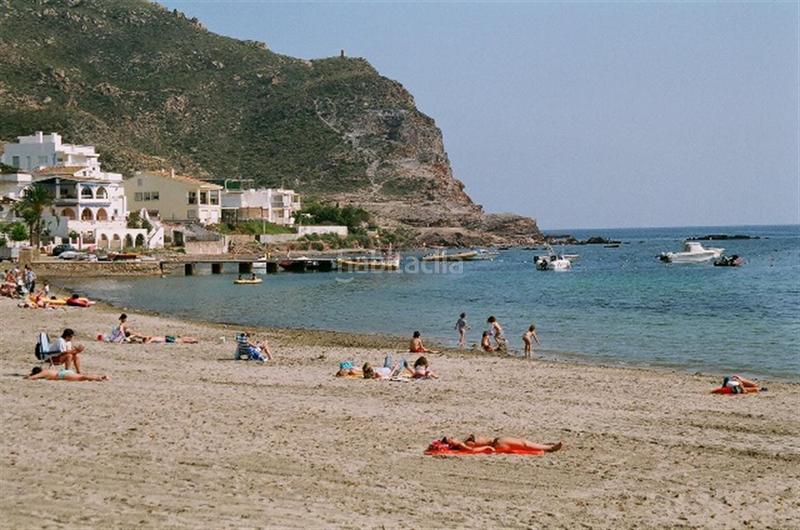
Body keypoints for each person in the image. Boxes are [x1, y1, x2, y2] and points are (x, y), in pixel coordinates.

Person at [440, 435, 562, 453]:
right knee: (524, 444)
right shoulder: (461, 445)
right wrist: (486, 447)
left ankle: (544, 445)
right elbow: (471, 451)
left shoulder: (461, 442)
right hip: (496, 444)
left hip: (496, 442)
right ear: (451, 444)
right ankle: (549, 448)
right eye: (451, 439)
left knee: (523, 443)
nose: (452, 437)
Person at [26, 366, 108, 382]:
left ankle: (99, 378)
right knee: (81, 377)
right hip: (64, 372)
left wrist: (29, 376)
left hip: (61, 375)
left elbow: (33, 377)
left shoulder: (44, 372)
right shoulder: (46, 370)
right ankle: (99, 377)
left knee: (82, 377)